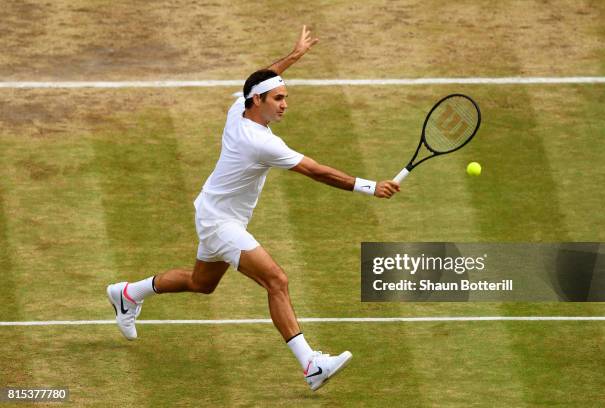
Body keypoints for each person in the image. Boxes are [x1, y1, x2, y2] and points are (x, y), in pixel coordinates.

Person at [107, 25, 400, 391]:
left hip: (212, 210)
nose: (285, 104)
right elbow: (315, 171)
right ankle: (311, 364)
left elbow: (258, 77)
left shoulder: (239, 107)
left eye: (285, 96)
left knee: (201, 283)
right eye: (278, 98)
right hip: (220, 221)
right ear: (258, 102)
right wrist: (372, 187)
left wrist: (294, 56)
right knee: (276, 280)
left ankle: (128, 293)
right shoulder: (261, 143)